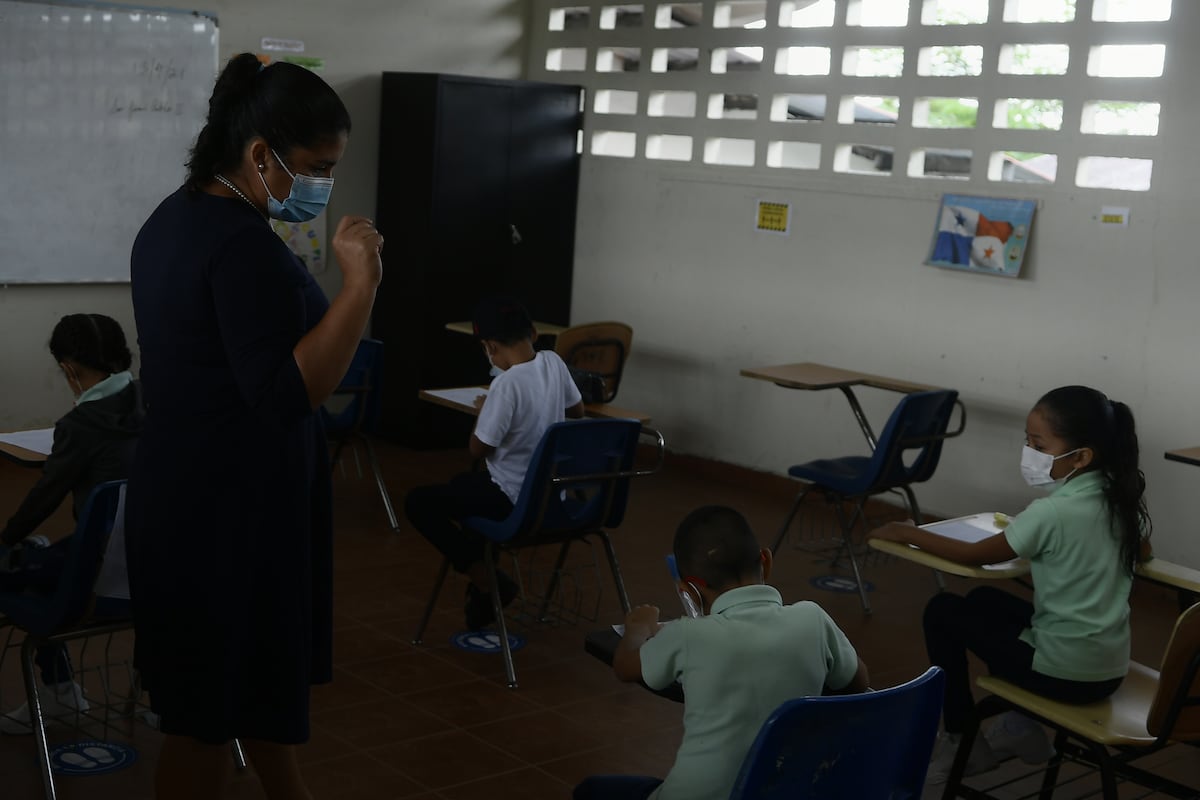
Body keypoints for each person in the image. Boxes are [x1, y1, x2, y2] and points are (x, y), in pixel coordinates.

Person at [126, 53, 382, 800]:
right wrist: (359, 288)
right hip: (223, 517)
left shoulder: (178, 218)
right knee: (206, 719)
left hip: (192, 496)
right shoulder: (242, 248)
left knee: (247, 691)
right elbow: (288, 392)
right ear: (259, 154)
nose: (324, 184)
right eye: (316, 165)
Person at [869, 385, 1151, 783]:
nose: (1029, 452)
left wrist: (906, 532)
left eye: (1038, 444)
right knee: (985, 598)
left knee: (943, 611)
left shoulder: (1053, 512)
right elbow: (1138, 552)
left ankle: (960, 740)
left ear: (1082, 456)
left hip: (1064, 675)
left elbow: (974, 555)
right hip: (1106, 666)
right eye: (1027, 440)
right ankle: (1022, 727)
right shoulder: (1121, 502)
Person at [574, 505, 870, 800]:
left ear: (688, 591)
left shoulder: (688, 634)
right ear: (765, 561)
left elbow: (625, 666)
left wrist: (638, 628)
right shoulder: (813, 618)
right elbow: (858, 683)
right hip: (781, 790)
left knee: (592, 790)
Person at [0, 313, 142, 735]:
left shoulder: (79, 426)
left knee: (16, 567)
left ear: (68, 370)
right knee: (54, 552)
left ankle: (61, 691)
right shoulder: (157, 402)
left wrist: (6, 539)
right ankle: (159, 689)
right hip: (168, 571)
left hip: (97, 581)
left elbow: (45, 496)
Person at [405, 296, 584, 630]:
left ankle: (486, 580)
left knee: (419, 502)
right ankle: (483, 597)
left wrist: (486, 411)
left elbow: (478, 449)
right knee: (463, 487)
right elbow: (578, 411)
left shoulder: (505, 384)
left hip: (511, 499)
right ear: (533, 332)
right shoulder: (554, 362)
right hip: (550, 496)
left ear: (488, 346)